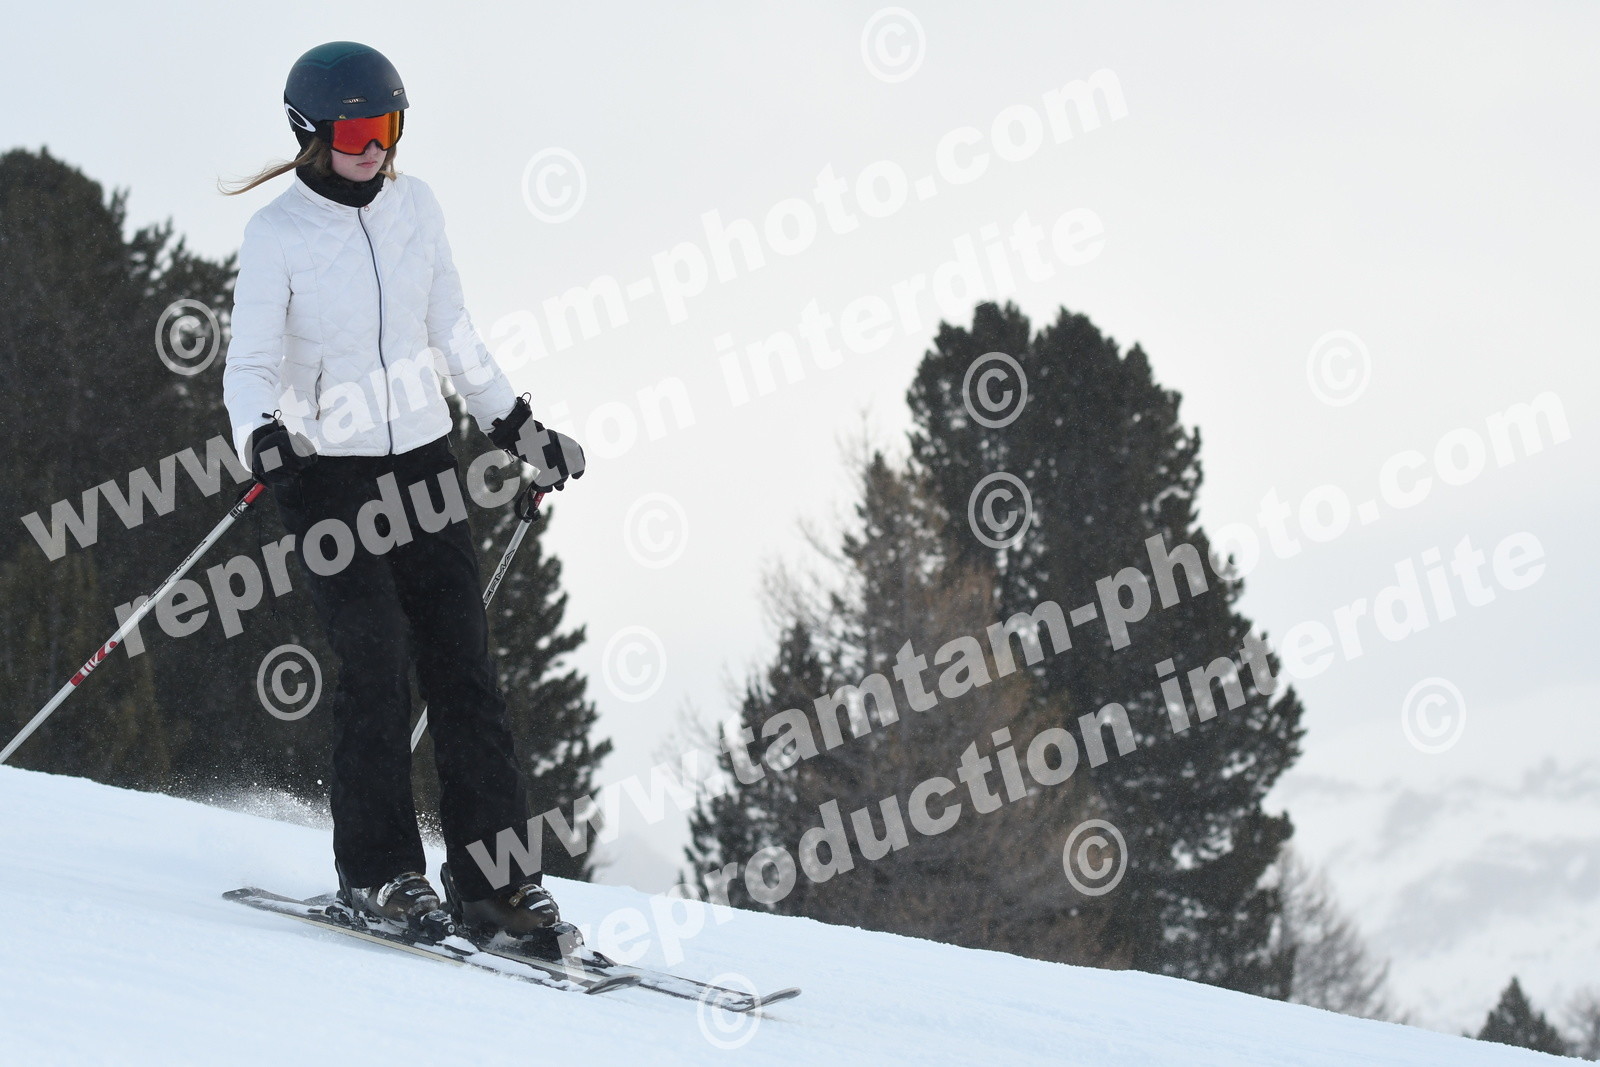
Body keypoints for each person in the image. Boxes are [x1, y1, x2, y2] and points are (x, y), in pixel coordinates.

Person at [221, 41, 583, 941]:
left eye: (386, 127)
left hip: (423, 465)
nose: (373, 147)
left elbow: (453, 331)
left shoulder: (416, 207)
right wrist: (260, 434)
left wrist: (519, 428)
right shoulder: (277, 234)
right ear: (310, 133)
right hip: (325, 474)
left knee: (464, 667)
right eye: (353, 132)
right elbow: (250, 365)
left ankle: (496, 883)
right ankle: (380, 872)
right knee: (377, 658)